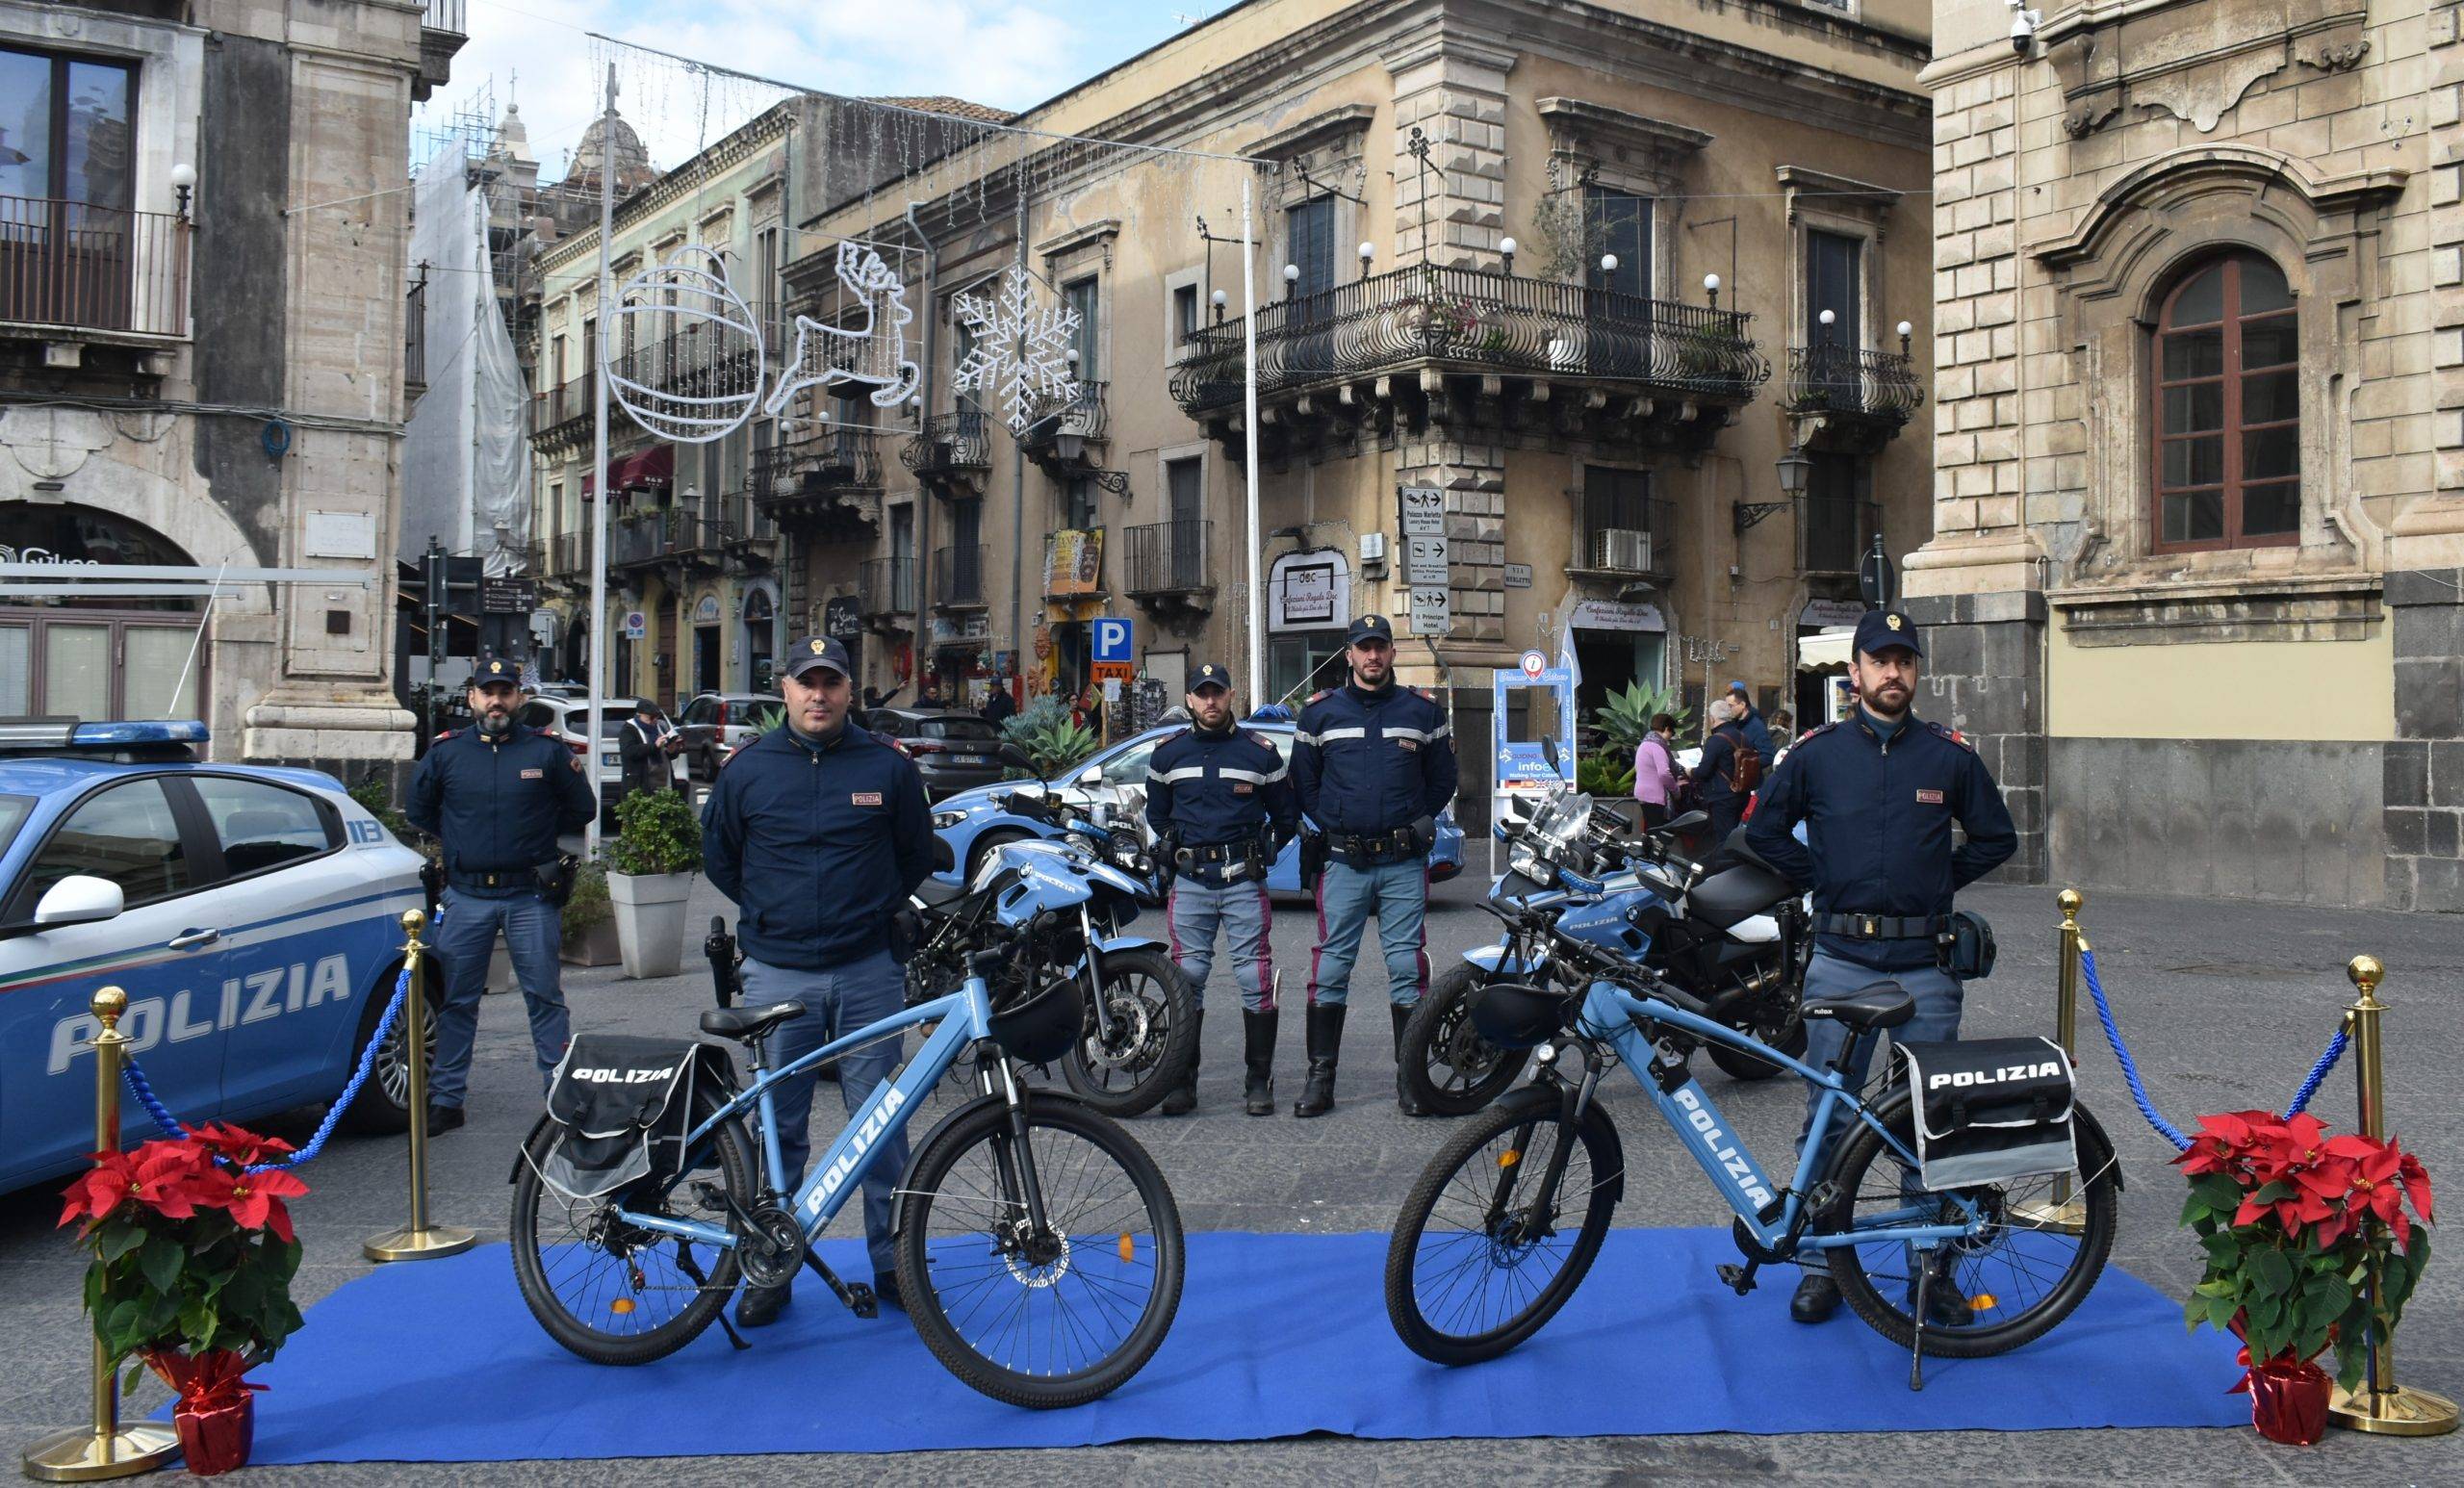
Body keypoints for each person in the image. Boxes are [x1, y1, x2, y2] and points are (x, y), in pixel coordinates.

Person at [1745, 609, 2017, 1327]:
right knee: (1828, 1118)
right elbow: (1763, 831)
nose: (1893, 672)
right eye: (1880, 660)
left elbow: (1997, 837)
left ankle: (1931, 1272)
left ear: (1916, 672)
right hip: (1838, 961)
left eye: (1905, 660)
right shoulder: (1815, 754)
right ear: (1856, 672)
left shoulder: (1949, 758)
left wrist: (1938, 882)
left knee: (1932, 1121)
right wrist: (1822, 878)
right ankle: (1819, 1266)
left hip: (1924, 967)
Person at [701, 634, 934, 1327]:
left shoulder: (886, 768)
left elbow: (915, 854)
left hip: (868, 972)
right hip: (778, 974)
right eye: (807, 682)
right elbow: (722, 860)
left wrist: (864, 911)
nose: (819, 695)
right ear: (785, 690)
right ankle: (773, 1266)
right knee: (780, 1129)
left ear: (849, 692)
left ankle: (894, 1266)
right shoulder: (747, 771)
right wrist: (775, 912)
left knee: (882, 1128)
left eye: (831, 682)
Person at [405, 656, 596, 1132]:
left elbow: (583, 809)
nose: (496, 701)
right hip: (466, 896)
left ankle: (558, 1095)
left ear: (519, 698)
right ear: (472, 698)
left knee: (545, 998)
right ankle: (446, 1099)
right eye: (487, 692)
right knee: (456, 1002)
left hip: (529, 896)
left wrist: (530, 834)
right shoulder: (447, 753)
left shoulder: (546, 752)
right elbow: (420, 810)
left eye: (505, 691)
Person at [1290, 614, 1459, 1117]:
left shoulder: (1422, 712)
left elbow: (1442, 780)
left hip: (1403, 862)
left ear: (1391, 652)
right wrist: (1336, 822)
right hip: (1344, 861)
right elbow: (1306, 784)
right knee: (1332, 969)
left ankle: (1411, 1080)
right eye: (1363, 648)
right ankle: (1320, 1079)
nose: (1372, 656)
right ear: (1348, 655)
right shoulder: (1318, 714)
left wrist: (1411, 822)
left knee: (1407, 969)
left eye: (1380, 647)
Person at [1144, 664, 1299, 1116]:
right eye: (1201, 694)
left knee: (1254, 981)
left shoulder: (1261, 754)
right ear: (1190, 700)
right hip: (1191, 883)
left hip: (1243, 882)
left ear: (1232, 695)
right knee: (1186, 982)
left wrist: (1268, 846)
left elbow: (1285, 815)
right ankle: (1182, 1083)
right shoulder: (1166, 754)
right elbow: (1158, 814)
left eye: (1217, 693)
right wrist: (1175, 841)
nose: (1210, 701)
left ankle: (1257, 1081)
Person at [1690, 697, 1758, 842]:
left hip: (1722, 797)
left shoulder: (1715, 740)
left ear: (1712, 719)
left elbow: (1703, 772)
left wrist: (1690, 772)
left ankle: (1728, 864)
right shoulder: (1743, 737)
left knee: (1724, 840)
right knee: (1733, 835)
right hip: (1742, 794)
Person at [1632, 712, 1681, 831]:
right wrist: (1676, 790)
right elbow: (1664, 773)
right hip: (1655, 796)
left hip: (1643, 794)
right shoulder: (1657, 746)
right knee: (1658, 833)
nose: (1671, 736)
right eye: (1672, 732)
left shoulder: (1644, 744)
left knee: (1651, 830)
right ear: (1666, 729)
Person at [618, 699, 668, 797]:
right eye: (651, 717)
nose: (654, 720)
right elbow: (629, 751)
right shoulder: (629, 729)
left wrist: (673, 749)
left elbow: (666, 754)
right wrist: (654, 746)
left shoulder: (659, 728)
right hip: (639, 784)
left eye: (656, 717)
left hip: (662, 784)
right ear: (639, 715)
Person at [1728, 680, 1774, 762]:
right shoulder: (1732, 723)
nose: (1728, 709)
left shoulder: (1757, 726)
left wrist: (1746, 765)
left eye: (1731, 706)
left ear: (1742, 704)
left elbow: (1768, 755)